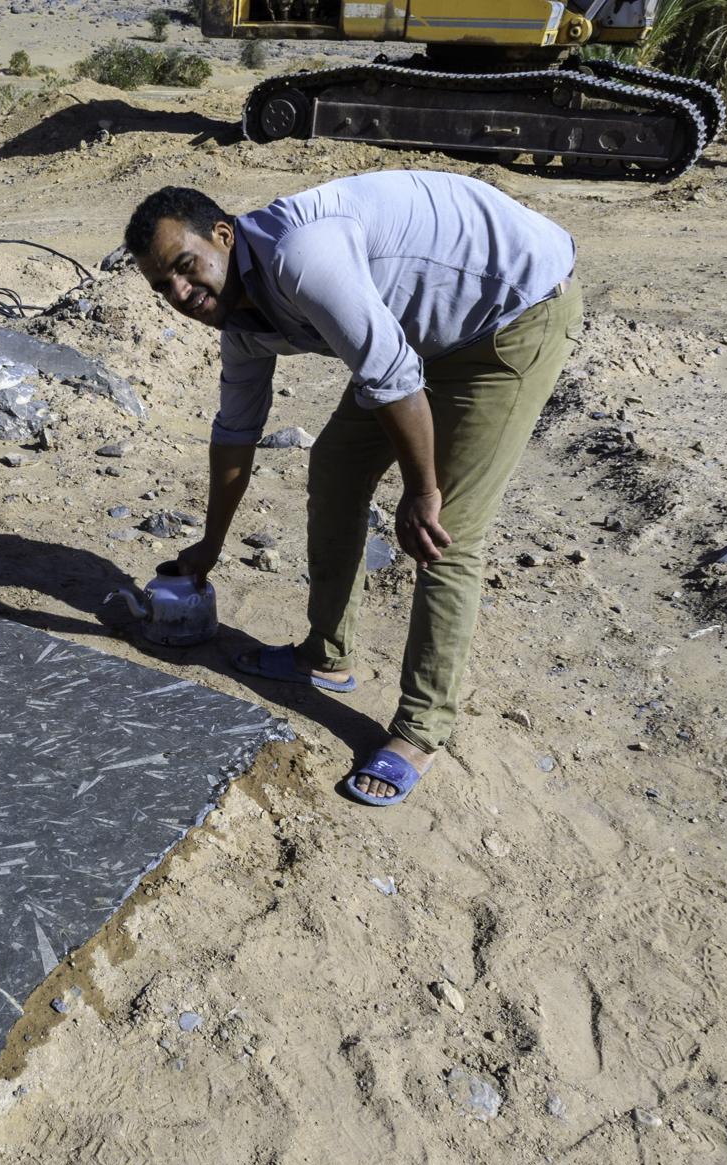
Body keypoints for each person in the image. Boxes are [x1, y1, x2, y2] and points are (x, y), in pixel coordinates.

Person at [127, 172, 581, 806]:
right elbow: (236, 432)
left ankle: (421, 729)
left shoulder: (301, 256)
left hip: (512, 311)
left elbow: (392, 376)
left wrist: (422, 489)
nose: (180, 292)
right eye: (162, 286)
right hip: (423, 329)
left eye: (185, 266)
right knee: (336, 468)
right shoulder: (240, 323)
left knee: (444, 530)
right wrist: (210, 545)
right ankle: (325, 653)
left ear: (223, 238)